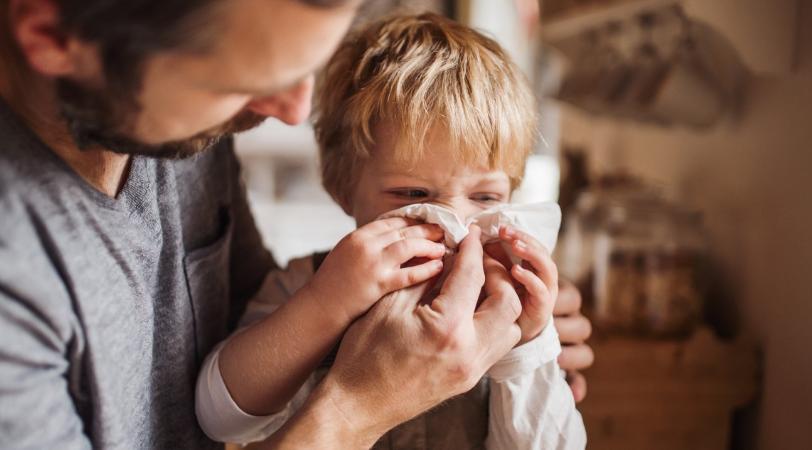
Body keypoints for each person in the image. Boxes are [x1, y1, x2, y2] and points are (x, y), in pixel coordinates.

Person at [0, 0, 593, 449]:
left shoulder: (181, 127)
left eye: (486, 195)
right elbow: (226, 402)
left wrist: (530, 347)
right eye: (241, 81)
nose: (292, 111)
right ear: (53, 37)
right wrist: (360, 399)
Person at [195, 13, 586, 450]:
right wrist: (326, 303)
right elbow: (220, 420)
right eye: (414, 193)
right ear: (343, 188)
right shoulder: (308, 284)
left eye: (486, 199)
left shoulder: (504, 306)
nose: (454, 225)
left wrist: (527, 348)